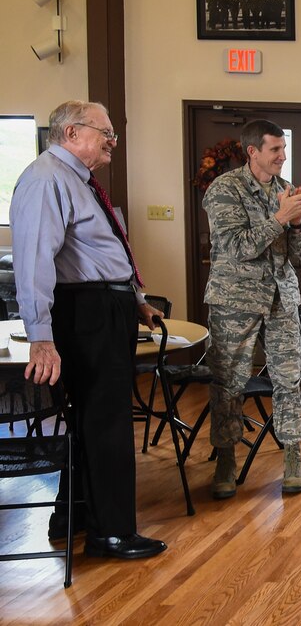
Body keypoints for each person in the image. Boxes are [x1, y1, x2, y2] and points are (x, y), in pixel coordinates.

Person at [11, 100, 168, 559]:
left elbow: (103, 251)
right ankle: (111, 532)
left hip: (104, 307)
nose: (112, 143)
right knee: (106, 422)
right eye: (106, 134)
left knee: (91, 419)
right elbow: (34, 263)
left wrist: (136, 301)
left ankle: (74, 515)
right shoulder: (46, 179)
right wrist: (41, 337)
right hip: (87, 312)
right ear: (72, 133)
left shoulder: (77, 180)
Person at [203, 119, 301, 498]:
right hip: (234, 302)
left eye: (284, 149)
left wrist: (297, 224)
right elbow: (237, 247)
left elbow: (300, 256)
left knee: (289, 380)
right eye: (275, 150)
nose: (283, 157)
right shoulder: (224, 189)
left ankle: (293, 456)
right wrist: (280, 219)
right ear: (252, 151)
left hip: (281, 301)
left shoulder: (287, 191)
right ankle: (225, 459)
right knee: (228, 382)